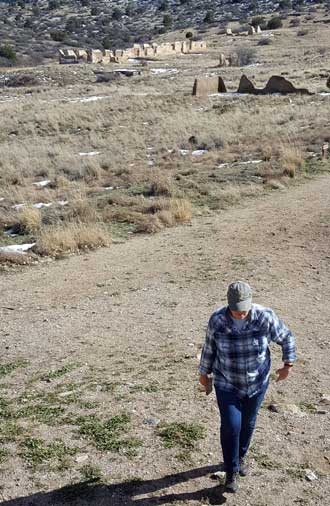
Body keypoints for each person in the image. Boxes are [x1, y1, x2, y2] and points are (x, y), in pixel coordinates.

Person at [198, 281, 296, 493]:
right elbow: (209, 347)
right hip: (227, 382)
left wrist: (287, 364)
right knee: (231, 425)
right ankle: (231, 471)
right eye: (235, 310)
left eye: (244, 309)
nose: (240, 314)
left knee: (248, 422)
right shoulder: (217, 320)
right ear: (228, 304)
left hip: (257, 382)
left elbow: (286, 337)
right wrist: (203, 374)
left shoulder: (264, 317)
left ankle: (241, 456)